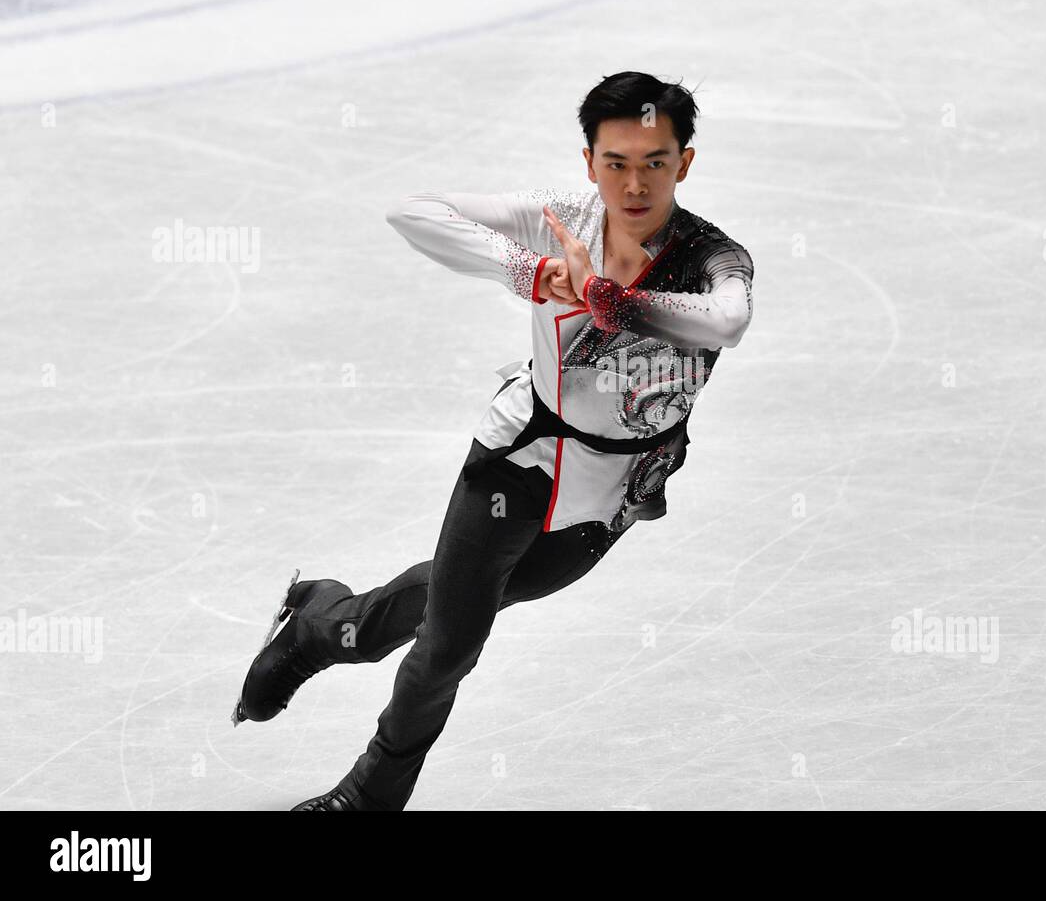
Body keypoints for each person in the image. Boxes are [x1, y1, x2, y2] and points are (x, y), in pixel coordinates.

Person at [231, 71, 756, 810]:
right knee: (450, 646)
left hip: (613, 492)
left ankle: (321, 624)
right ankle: (369, 794)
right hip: (521, 460)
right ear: (589, 162)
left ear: (685, 163)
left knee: (460, 602)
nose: (634, 183)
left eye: (655, 162)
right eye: (616, 162)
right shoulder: (561, 219)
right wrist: (532, 272)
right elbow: (410, 211)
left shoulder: (712, 257)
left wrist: (620, 301)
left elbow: (727, 320)